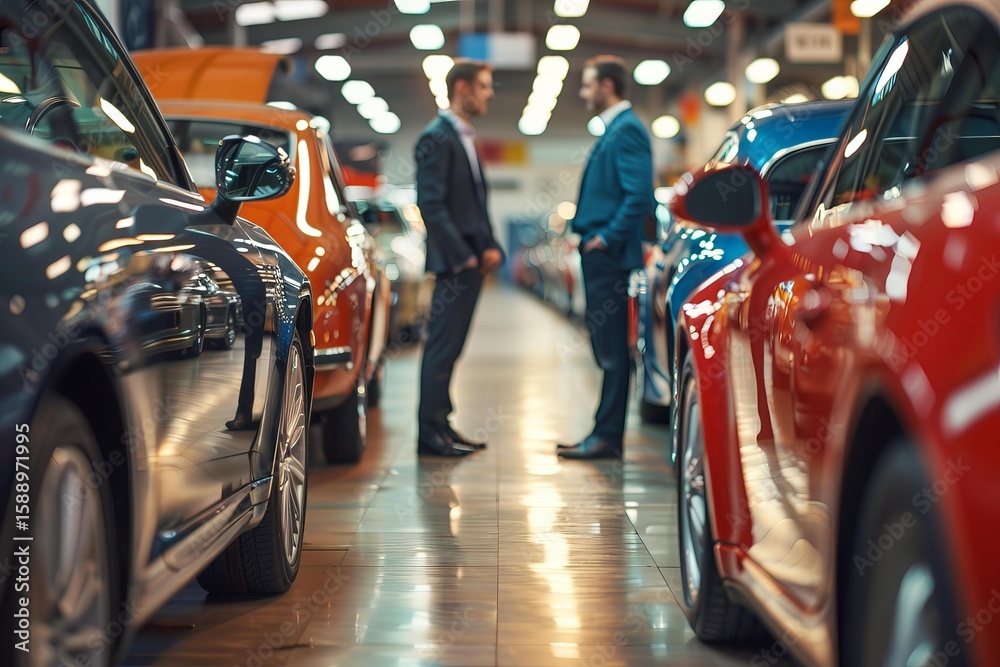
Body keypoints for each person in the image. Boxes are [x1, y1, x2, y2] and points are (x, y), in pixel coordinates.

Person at [558, 55, 654, 460]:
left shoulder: (626, 130)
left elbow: (639, 196)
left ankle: (607, 438)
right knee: (606, 348)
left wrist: (605, 238)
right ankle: (603, 433)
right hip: (602, 253)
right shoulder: (615, 129)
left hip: (609, 256)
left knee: (613, 350)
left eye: (587, 84)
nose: (583, 93)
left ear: (608, 86)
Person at [415, 59, 504, 457]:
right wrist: (463, 257)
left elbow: (475, 203)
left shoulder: (463, 136)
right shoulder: (437, 136)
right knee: (441, 347)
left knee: (451, 348)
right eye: (484, 87)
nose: (490, 94)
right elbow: (431, 204)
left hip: (469, 260)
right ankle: (429, 433)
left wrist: (490, 244)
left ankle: (442, 425)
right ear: (462, 87)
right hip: (455, 264)